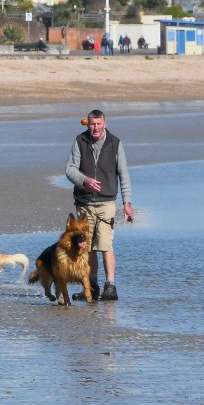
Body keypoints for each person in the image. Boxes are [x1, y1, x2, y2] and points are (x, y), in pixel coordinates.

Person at [65, 109, 134, 301]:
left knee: (105, 245)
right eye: (92, 124)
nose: (95, 128)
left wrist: (127, 203)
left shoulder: (115, 143)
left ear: (105, 123)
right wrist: (84, 180)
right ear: (87, 124)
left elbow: (124, 174)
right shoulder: (80, 141)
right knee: (87, 247)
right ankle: (92, 285)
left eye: (98, 124)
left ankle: (110, 286)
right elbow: (69, 169)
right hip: (84, 202)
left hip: (106, 203)